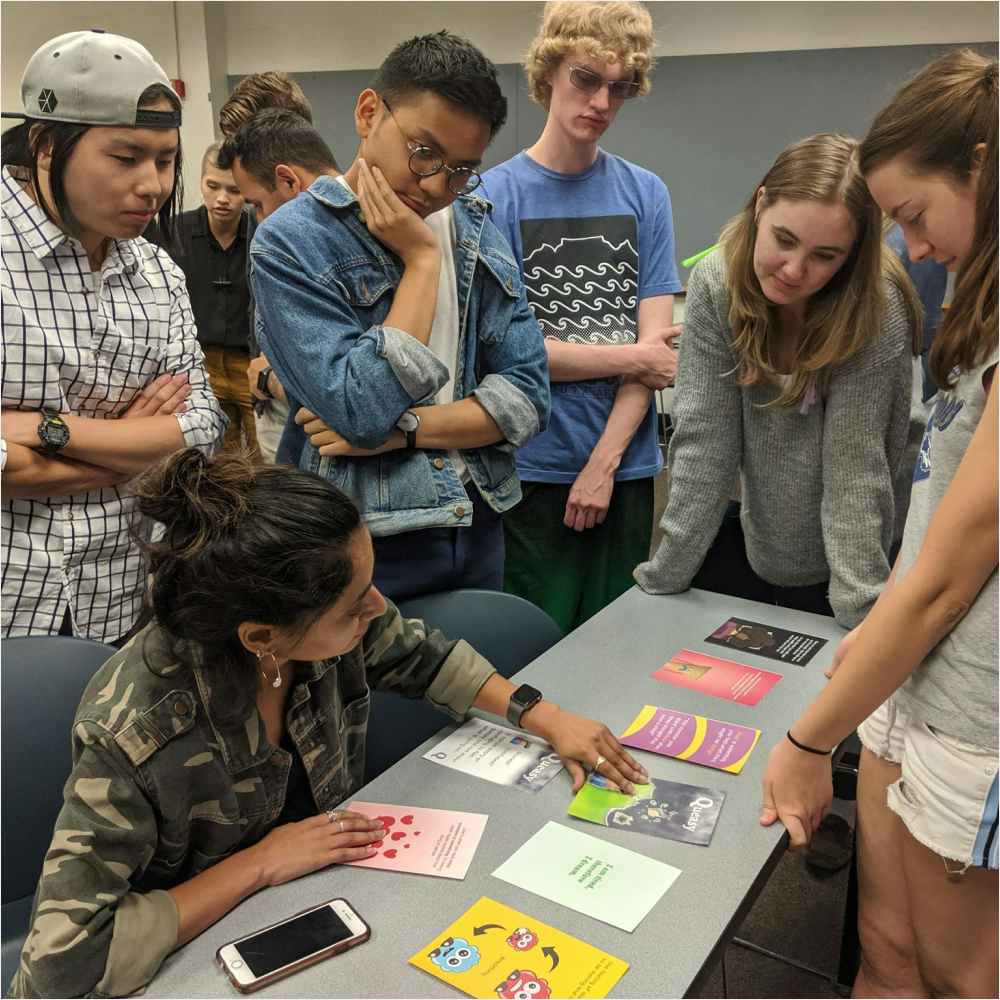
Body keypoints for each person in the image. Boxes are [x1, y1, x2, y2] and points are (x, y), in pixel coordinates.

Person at [10, 448, 648, 998]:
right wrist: (259, 863)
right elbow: (60, 967)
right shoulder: (136, 728)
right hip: (208, 948)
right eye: (355, 604)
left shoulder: (325, 620)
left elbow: (419, 654)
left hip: (334, 897)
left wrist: (547, 714)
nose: (377, 607)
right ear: (263, 638)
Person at [760, 50, 998, 999]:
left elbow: (950, 579)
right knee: (885, 948)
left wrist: (810, 740)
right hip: (910, 688)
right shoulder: (980, 318)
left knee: (957, 971)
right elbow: (930, 532)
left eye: (912, 217)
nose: (916, 246)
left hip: (973, 719)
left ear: (980, 170)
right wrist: (869, 666)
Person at [248, 32, 550, 604]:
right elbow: (360, 410)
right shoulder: (291, 242)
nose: (438, 186)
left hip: (477, 516)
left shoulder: (476, 223)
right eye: (424, 153)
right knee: (373, 689)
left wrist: (406, 431)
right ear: (369, 113)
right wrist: (421, 261)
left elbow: (529, 396)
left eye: (461, 169)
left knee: (478, 677)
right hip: (362, 535)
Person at [635, 132, 921, 628]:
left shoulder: (877, 306)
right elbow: (706, 438)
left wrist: (862, 619)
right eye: (784, 240)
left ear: (852, 255)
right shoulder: (718, 284)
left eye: (825, 256)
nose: (794, 270)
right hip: (765, 535)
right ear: (761, 203)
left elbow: (856, 470)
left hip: (867, 550)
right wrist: (665, 575)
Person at [0, 30, 224, 644]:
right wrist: (128, 450)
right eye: (126, 159)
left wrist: (50, 433)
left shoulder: (157, 271)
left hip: (123, 598)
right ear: (47, 145)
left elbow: (201, 431)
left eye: (166, 159)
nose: (152, 184)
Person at [483, 0, 682, 634]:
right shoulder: (492, 197)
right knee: (532, 643)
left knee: (616, 639)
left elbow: (661, 357)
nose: (600, 101)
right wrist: (632, 356)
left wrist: (603, 464)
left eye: (618, 88)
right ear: (549, 75)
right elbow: (511, 355)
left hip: (624, 468)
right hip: (529, 466)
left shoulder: (645, 192)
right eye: (586, 79)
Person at [217, 73, 321, 463]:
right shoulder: (265, 210)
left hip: (305, 411)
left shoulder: (334, 228)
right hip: (271, 407)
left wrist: (271, 376)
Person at [150, 143, 259, 458]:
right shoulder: (173, 230)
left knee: (262, 457)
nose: (222, 199)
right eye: (213, 186)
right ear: (201, 182)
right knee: (213, 459)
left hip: (248, 362)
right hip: (200, 362)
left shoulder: (261, 229)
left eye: (234, 190)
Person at [887, 222, 949, 402]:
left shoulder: (903, 239)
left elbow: (926, 319)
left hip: (911, 345)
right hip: (911, 345)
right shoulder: (905, 238)